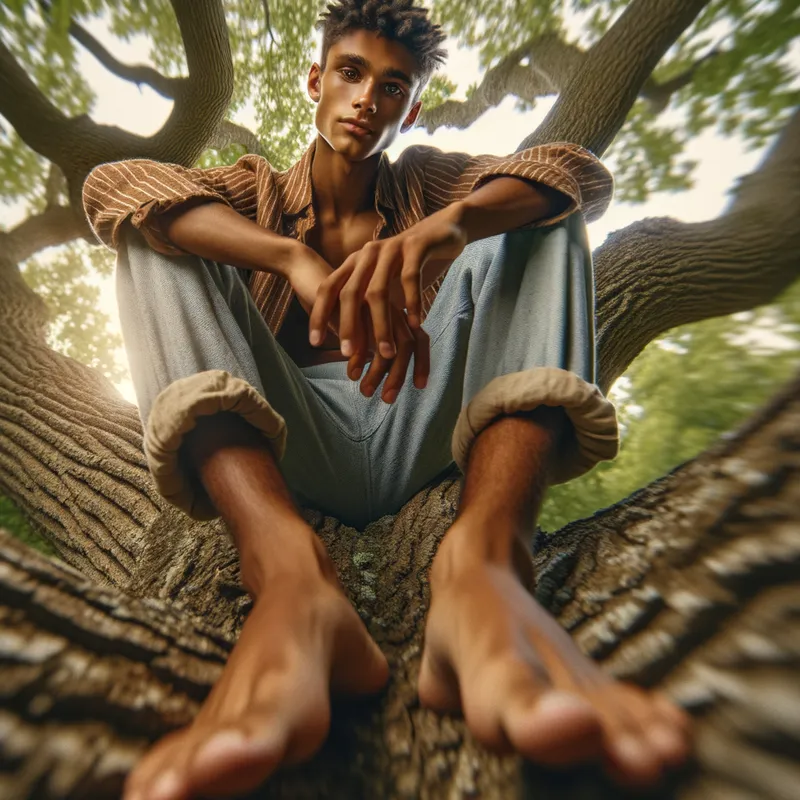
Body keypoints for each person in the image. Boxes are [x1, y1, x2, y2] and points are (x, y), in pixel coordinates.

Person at [83, 1, 691, 797]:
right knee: (151, 235)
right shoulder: (253, 189)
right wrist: (291, 260)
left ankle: (485, 564)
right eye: (351, 72)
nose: (369, 97)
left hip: (424, 421)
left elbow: (574, 169)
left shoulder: (426, 180)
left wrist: (450, 226)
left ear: (408, 109)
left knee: (542, 217)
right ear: (316, 81)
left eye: (393, 86)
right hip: (290, 439)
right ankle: (290, 576)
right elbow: (115, 183)